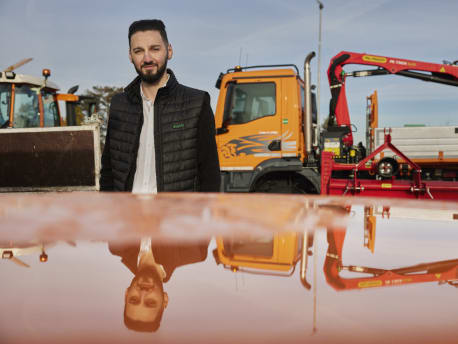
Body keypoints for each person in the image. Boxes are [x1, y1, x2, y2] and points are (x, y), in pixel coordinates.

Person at [100, 19, 220, 193]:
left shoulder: (197, 103)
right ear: (130, 56)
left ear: (169, 51)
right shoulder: (119, 105)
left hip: (176, 216)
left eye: (154, 49)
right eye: (139, 51)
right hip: (127, 214)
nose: (147, 58)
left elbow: (210, 176)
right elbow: (109, 172)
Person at [109, 239, 209, 332]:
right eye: (151, 302)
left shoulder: (117, 245)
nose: (143, 292)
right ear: (164, 300)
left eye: (134, 299)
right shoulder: (195, 251)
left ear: (127, 294)